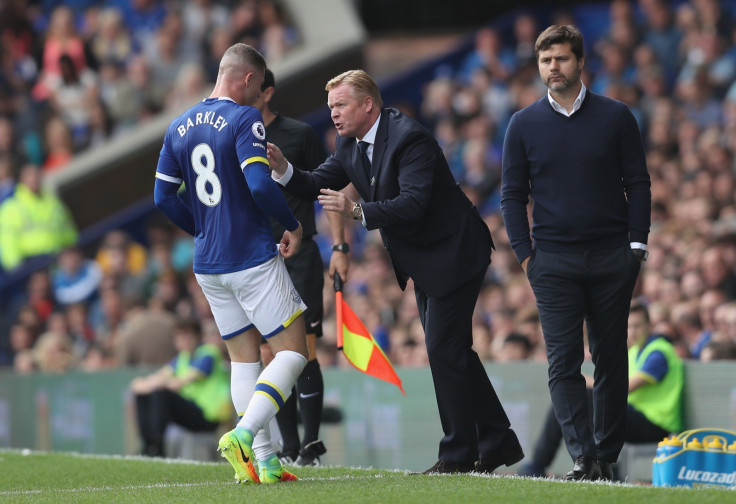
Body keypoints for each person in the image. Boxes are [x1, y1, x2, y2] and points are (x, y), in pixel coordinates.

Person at [268, 69, 523, 474]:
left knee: (443, 349)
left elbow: (414, 202)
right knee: (454, 350)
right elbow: (316, 182)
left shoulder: (409, 137)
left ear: (368, 104)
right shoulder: (349, 143)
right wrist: (283, 170)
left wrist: (357, 211)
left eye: (341, 105)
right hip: (424, 260)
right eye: (331, 106)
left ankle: (458, 454)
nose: (333, 113)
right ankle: (497, 440)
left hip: (456, 252)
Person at [501, 25, 651, 481]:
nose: (553, 67)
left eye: (562, 59)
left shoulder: (616, 116)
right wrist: (527, 256)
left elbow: (638, 183)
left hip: (612, 258)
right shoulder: (522, 123)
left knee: (610, 359)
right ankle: (582, 458)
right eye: (546, 60)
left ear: (580, 62)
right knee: (563, 363)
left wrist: (636, 247)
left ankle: (605, 457)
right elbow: (512, 196)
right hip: (552, 263)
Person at [153, 42, 308, 485]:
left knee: (244, 361)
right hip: (250, 255)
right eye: (259, 86)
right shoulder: (244, 118)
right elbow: (259, 185)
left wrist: (201, 229)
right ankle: (242, 434)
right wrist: (291, 224)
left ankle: (264, 463)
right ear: (246, 79)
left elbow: (164, 197)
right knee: (293, 350)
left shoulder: (178, 126)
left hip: (209, 264)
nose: (261, 95)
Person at [255, 68, 349, 466]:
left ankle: (310, 447)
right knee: (267, 357)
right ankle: (288, 446)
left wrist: (340, 246)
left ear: (267, 91)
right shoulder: (231, 137)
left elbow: (328, 190)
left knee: (303, 350)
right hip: (256, 259)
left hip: (300, 255)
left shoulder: (299, 135)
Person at [518, 302, 684, 478]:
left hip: (656, 425)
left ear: (649, 326)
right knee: (570, 400)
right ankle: (594, 466)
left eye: (638, 325)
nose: (633, 331)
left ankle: (542, 464)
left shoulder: (659, 352)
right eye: (629, 326)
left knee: (578, 395)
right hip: (634, 417)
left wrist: (577, 380)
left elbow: (623, 389)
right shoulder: (635, 351)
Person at [130, 318, 232, 457]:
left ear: (197, 336)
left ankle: (157, 447)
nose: (183, 340)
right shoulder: (182, 358)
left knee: (162, 394)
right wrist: (142, 383)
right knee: (144, 395)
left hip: (208, 417)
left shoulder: (208, 353)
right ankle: (148, 445)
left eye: (187, 335)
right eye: (179, 336)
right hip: (193, 412)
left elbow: (179, 383)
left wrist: (153, 383)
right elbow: (154, 379)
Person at [0, 164, 77, 271]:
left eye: (37, 175)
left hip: (60, 259)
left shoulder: (53, 202)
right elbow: (8, 242)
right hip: (31, 264)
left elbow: (68, 230)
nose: (34, 179)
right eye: (29, 176)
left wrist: (73, 251)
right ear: (21, 180)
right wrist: (17, 270)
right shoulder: (11, 208)